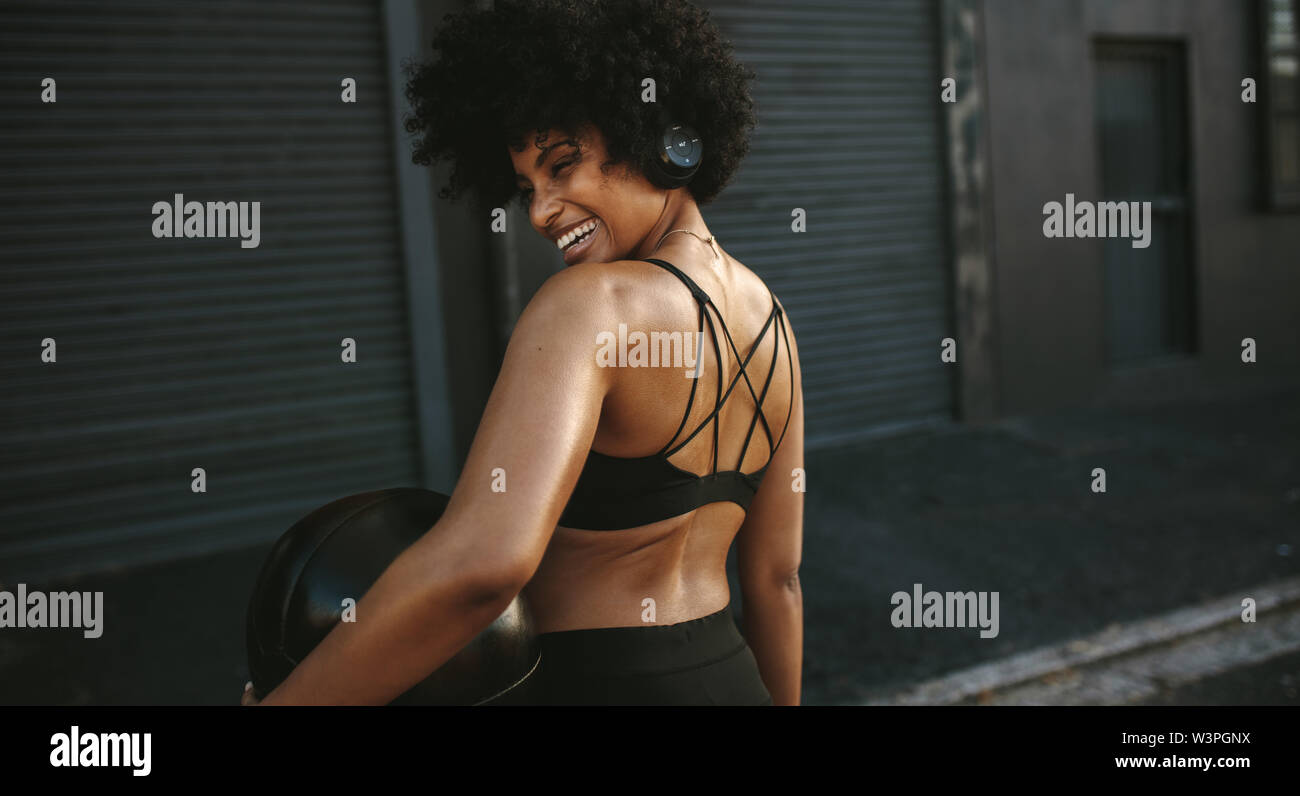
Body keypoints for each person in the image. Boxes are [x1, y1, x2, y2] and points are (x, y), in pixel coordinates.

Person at [244, 0, 804, 706]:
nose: (540, 211)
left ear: (663, 136)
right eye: (526, 188)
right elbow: (777, 583)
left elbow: (483, 567)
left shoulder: (591, 306)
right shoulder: (773, 322)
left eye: (562, 164)